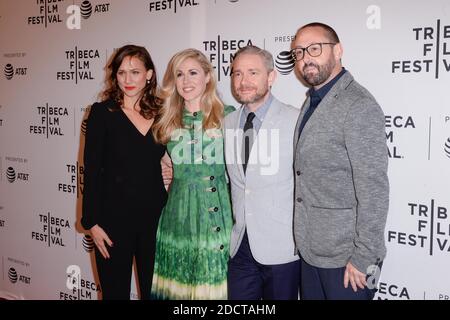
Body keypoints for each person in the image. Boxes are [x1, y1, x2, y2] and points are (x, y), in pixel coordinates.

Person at [292, 22, 389, 300]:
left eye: (314, 48)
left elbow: (374, 189)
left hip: (349, 260)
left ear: (338, 50)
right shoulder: (313, 100)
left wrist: (364, 256)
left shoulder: (358, 105)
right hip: (312, 251)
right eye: (299, 52)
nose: (305, 58)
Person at [81, 44, 167, 300]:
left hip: (156, 220)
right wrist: (92, 223)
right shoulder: (102, 113)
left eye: (135, 72)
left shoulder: (163, 113)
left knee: (155, 294)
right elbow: (92, 169)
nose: (128, 80)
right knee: (115, 294)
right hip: (112, 222)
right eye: (121, 73)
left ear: (149, 75)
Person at [151, 48, 234, 300]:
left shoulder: (227, 117)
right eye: (179, 74)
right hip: (177, 216)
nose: (186, 81)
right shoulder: (166, 120)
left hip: (215, 214)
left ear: (208, 76)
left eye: (193, 73)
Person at [224, 45, 300, 300]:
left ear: (271, 77)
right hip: (240, 247)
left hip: (281, 249)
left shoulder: (295, 120)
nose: (243, 81)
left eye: (252, 73)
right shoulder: (228, 123)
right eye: (237, 74)